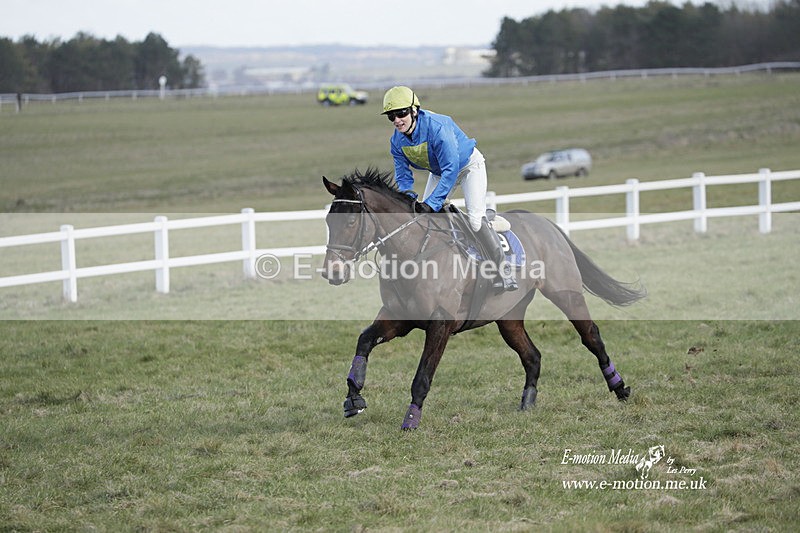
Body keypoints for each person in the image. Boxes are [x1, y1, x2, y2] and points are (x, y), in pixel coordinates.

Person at [381, 85, 517, 292]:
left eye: (401, 113)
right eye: (391, 116)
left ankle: (503, 269)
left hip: (468, 167)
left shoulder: (437, 126)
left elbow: (451, 169)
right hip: (440, 172)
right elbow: (403, 175)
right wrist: (408, 200)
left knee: (474, 220)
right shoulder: (396, 141)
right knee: (423, 219)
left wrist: (432, 203)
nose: (397, 120)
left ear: (414, 110)